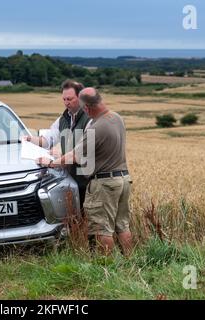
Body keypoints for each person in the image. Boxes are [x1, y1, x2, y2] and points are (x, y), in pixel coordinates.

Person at [36, 87, 133, 256]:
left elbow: (74, 155)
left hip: (105, 184)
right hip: (123, 179)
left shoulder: (96, 128)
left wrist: (51, 163)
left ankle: (106, 268)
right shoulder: (117, 118)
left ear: (87, 108)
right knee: (122, 226)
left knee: (102, 229)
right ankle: (130, 260)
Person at [25, 79, 91, 208]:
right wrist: (30, 139)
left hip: (89, 181)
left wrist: (52, 162)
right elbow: (47, 140)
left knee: (91, 221)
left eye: (70, 99)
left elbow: (79, 154)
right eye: (64, 99)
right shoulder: (63, 119)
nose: (66, 103)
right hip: (72, 180)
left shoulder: (90, 119)